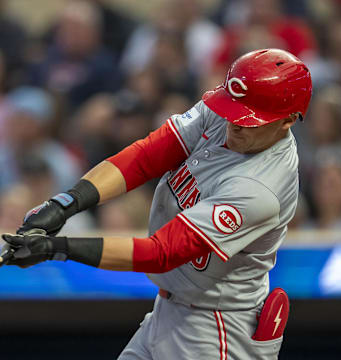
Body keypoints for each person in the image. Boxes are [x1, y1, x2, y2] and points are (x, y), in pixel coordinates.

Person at [0, 48, 312, 360]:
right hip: (170, 309)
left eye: (248, 119)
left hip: (216, 330)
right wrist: (65, 204)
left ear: (287, 121)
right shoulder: (228, 110)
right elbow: (147, 156)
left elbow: (161, 253)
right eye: (232, 109)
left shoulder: (260, 188)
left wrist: (58, 247)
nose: (234, 123)